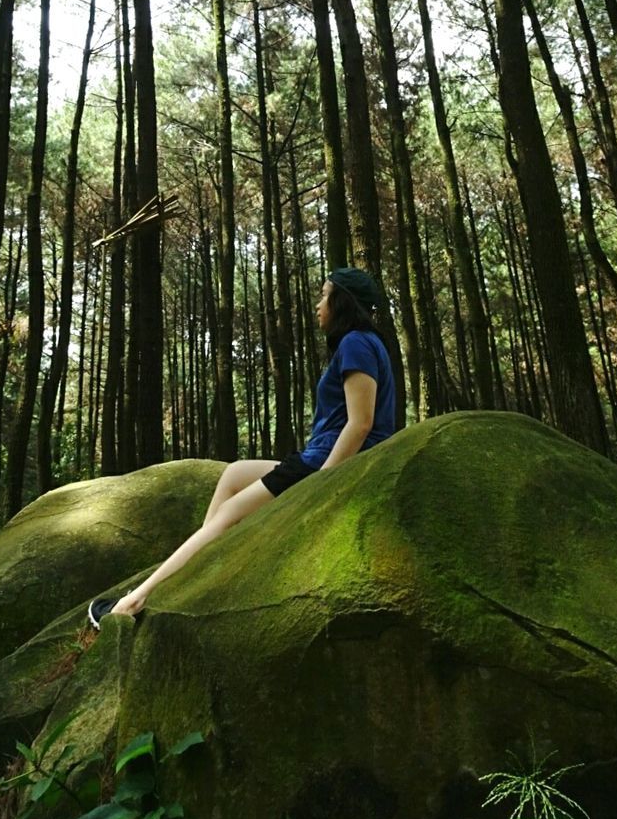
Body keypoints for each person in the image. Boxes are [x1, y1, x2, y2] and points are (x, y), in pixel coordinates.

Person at [87, 266, 397, 628]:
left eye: (325, 295)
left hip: (327, 465)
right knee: (234, 475)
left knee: (230, 512)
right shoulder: (363, 342)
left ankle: (135, 601)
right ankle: (192, 573)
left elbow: (361, 423)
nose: (318, 304)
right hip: (321, 457)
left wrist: (320, 485)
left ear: (342, 302)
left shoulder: (355, 342)